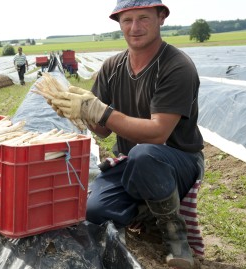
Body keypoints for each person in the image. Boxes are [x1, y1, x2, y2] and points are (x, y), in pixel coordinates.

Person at [49, 1, 204, 268]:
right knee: (93, 211)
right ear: (119, 24)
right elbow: (103, 129)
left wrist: (102, 111)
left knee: (145, 153)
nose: (135, 27)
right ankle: (147, 211)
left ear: (161, 18)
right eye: (127, 20)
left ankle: (172, 232)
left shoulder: (176, 66)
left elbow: (158, 133)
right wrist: (81, 112)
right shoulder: (112, 67)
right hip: (131, 163)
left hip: (177, 162)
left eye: (143, 18)